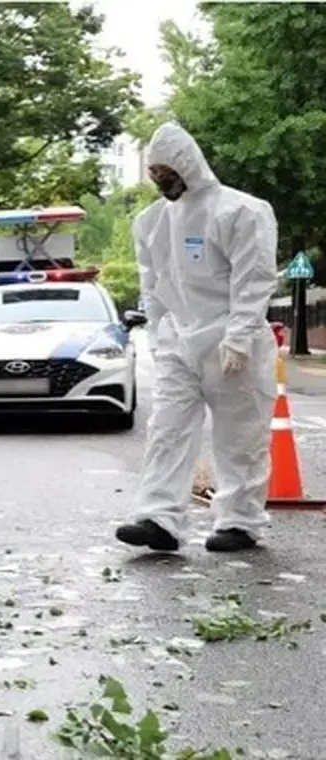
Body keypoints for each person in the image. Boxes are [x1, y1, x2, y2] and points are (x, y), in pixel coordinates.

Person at [115, 122, 278, 554]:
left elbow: (254, 278)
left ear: (187, 164)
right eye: (154, 174)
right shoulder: (150, 223)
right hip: (179, 343)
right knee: (166, 429)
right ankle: (158, 519)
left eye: (167, 172)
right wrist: (158, 334)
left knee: (239, 435)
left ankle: (240, 522)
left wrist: (241, 336)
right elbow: (153, 286)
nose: (161, 181)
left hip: (230, 342)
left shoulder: (241, 211)